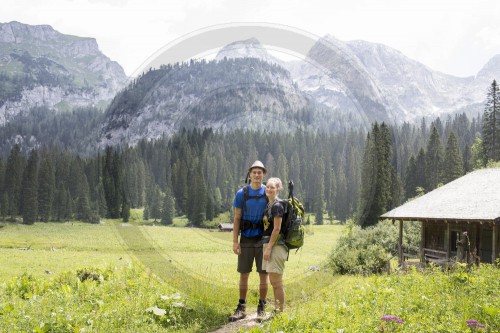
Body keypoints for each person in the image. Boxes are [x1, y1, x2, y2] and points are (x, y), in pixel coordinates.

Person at [229, 160, 269, 322]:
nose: (257, 175)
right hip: (245, 238)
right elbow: (237, 218)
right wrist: (234, 241)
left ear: (263, 175)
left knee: (263, 275)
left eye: (260, 172)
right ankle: (242, 307)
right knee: (244, 274)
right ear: (249, 174)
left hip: (262, 239)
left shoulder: (268, 192)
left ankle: (262, 308)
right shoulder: (241, 194)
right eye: (254, 172)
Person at [262, 177, 288, 314]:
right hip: (271, 245)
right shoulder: (269, 205)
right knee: (274, 281)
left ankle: (279, 312)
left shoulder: (277, 205)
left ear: (278, 189)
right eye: (267, 187)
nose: (269, 189)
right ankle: (277, 311)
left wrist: (268, 247)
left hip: (276, 246)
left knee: (277, 282)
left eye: (272, 187)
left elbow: (277, 229)